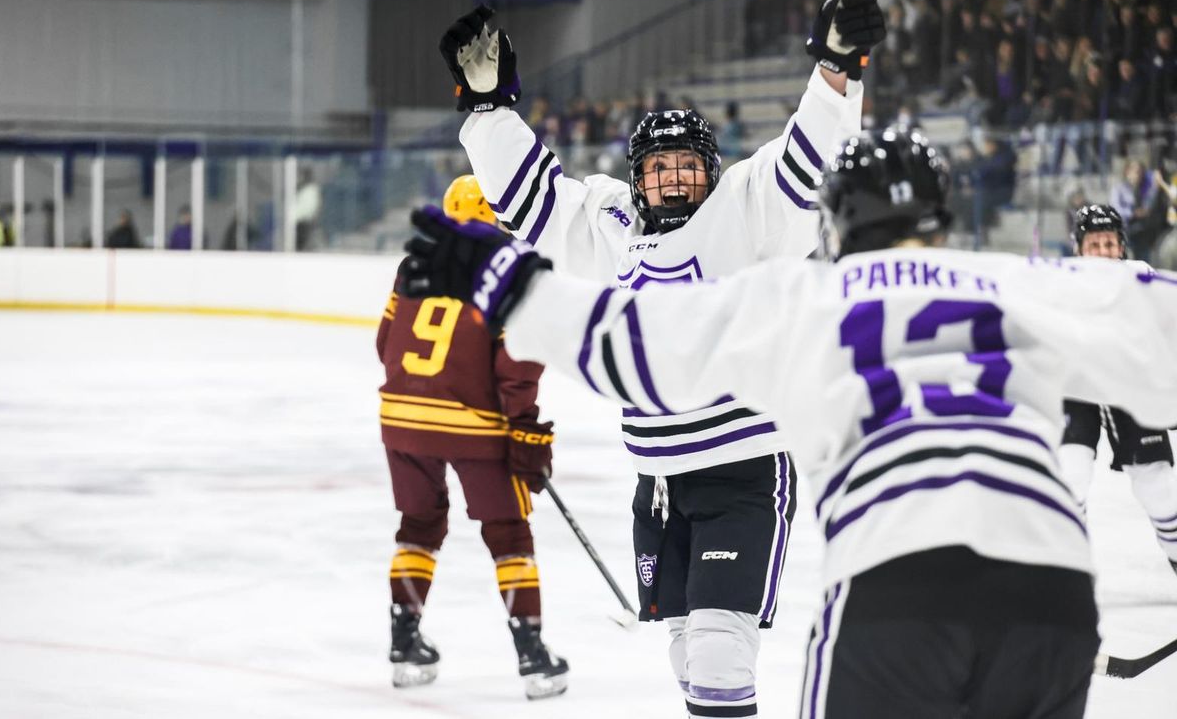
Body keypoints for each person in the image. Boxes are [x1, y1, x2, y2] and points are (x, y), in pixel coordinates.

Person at [397, 129, 1177, 718]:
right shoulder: (1028, 282)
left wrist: (504, 281)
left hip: (897, 579)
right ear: (940, 216)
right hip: (1052, 595)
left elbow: (637, 347)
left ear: (833, 223)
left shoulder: (802, 299)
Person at [439, 0, 885, 719]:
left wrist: (837, 67)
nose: (674, 177)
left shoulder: (743, 209)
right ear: (637, 176)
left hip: (742, 476)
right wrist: (488, 110)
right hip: (657, 486)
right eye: (659, 166)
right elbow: (536, 199)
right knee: (688, 655)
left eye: (687, 164)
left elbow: (807, 163)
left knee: (716, 652)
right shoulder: (613, 223)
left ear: (710, 170)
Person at [377, 175, 568, 699]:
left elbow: (383, 342)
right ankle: (533, 656)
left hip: (401, 417)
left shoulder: (412, 264)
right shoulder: (507, 269)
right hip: (474, 426)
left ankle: (404, 639)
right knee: (508, 532)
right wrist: (524, 426)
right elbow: (517, 363)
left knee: (418, 523)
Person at [1059, 204, 1177, 576]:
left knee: (1158, 482)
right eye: (1095, 244)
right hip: (1076, 391)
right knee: (1069, 479)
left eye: (1109, 243)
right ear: (1078, 248)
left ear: (1122, 247)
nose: (1103, 252)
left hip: (1128, 391)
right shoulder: (1056, 281)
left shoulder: (1141, 278)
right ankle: (1066, 571)